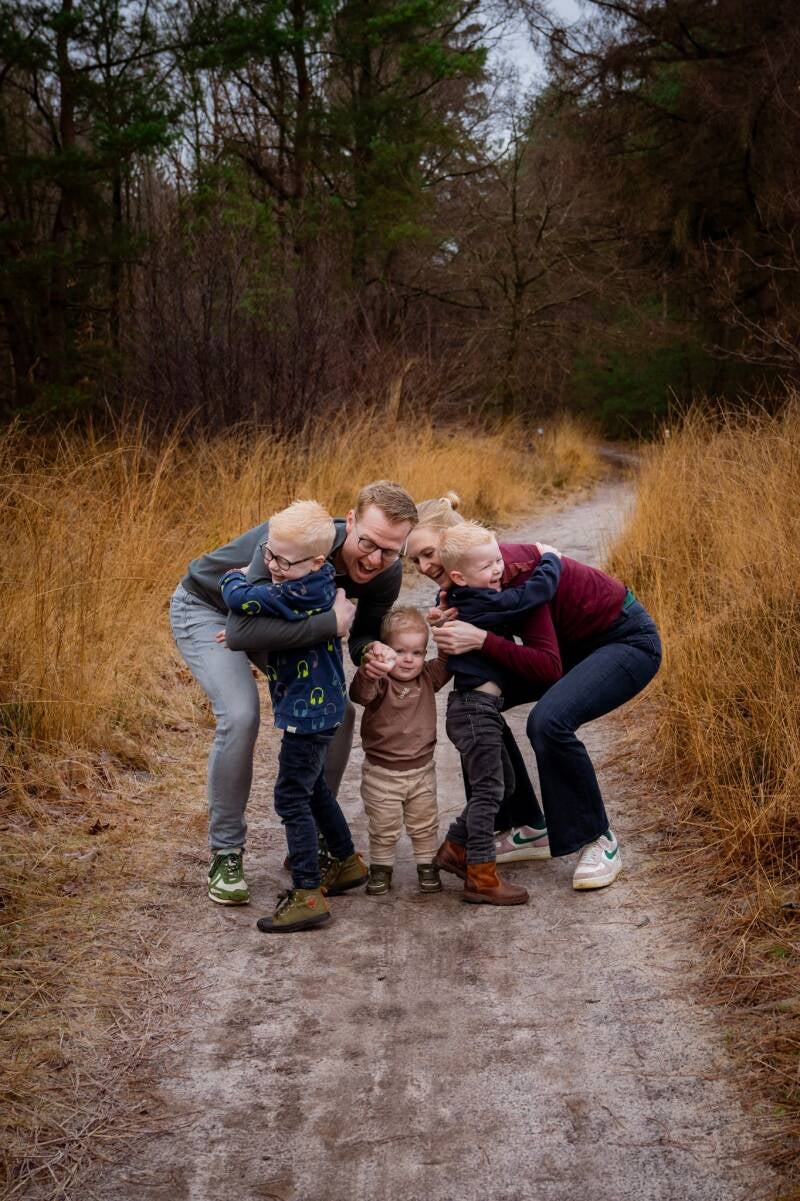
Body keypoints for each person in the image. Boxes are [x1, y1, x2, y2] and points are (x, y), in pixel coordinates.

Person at [170, 479, 417, 905]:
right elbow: (241, 628)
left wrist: (371, 650)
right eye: (368, 543)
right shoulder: (290, 543)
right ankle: (227, 852)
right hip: (213, 612)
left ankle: (317, 840)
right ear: (351, 521)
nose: (377, 559)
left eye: (391, 550)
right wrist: (329, 625)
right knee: (241, 713)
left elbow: (359, 636)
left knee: (337, 712)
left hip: (277, 626)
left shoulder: (385, 574)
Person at [407, 494, 662, 891]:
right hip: (571, 646)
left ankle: (598, 837)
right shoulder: (468, 574)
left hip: (625, 640)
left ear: (452, 540)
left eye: (427, 554)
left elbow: (547, 667)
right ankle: (525, 824)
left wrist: (481, 640)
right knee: (475, 705)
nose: (423, 567)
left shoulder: (509, 570)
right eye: (415, 560)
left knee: (549, 722)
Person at [219, 500, 367, 932]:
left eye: (282, 559)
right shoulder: (317, 581)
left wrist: (235, 574)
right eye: (268, 554)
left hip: (309, 711)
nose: (271, 566)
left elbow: (240, 596)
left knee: (290, 796)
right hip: (318, 708)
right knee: (313, 786)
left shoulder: (298, 590)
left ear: (318, 561)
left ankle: (307, 891)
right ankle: (347, 860)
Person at [431, 522, 563, 905]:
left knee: (499, 785)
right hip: (474, 709)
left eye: (498, 560)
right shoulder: (478, 600)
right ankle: (482, 876)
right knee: (492, 790)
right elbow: (533, 594)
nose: (498, 570)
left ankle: (456, 847)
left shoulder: (461, 596)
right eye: (487, 565)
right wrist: (549, 557)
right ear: (459, 576)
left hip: (478, 709)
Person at [349, 606, 451, 896]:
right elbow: (360, 695)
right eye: (400, 651)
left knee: (425, 822)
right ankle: (381, 869)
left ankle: (427, 865)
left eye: (417, 652)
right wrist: (369, 671)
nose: (409, 660)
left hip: (421, 770)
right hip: (382, 772)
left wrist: (442, 627)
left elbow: (447, 659)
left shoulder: (428, 678)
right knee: (383, 825)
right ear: (385, 652)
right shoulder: (380, 681)